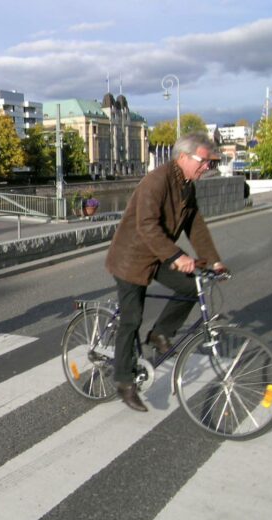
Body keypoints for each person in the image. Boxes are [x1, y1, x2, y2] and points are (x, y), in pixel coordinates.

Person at [105, 132, 228, 412]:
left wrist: (213, 261)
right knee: (131, 318)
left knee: (189, 287)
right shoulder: (157, 181)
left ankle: (160, 333)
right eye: (203, 161)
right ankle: (124, 381)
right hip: (131, 257)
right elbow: (147, 225)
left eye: (210, 162)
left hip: (157, 254)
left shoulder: (187, 185)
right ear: (182, 157)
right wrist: (177, 255)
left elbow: (194, 225)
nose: (207, 166)